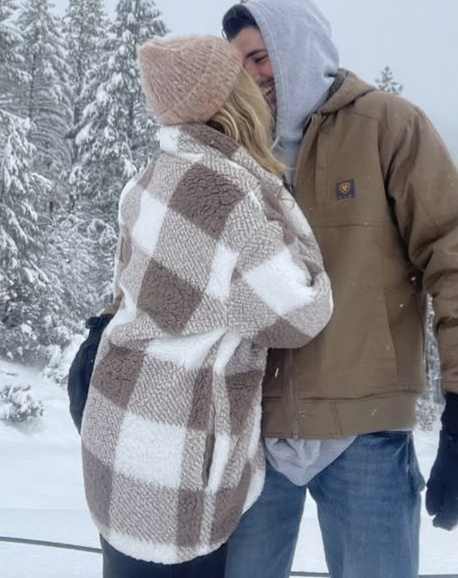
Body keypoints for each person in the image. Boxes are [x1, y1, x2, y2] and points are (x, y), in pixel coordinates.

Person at [220, 0, 458, 578]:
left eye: (259, 56)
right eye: (239, 64)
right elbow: (170, 245)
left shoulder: (388, 126)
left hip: (365, 434)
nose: (251, 76)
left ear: (296, 47)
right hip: (250, 433)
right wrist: (109, 326)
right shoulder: (233, 147)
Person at [79, 35, 333, 577]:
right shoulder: (229, 196)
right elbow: (300, 312)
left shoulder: (146, 181)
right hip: (173, 463)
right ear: (230, 97)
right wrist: (282, 205)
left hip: (120, 434)